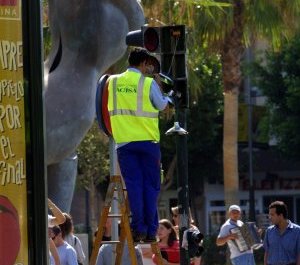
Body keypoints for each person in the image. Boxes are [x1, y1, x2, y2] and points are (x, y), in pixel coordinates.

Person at [107, 47, 169, 242]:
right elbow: (162, 105)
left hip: (124, 143)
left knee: (134, 186)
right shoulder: (147, 83)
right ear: (143, 64)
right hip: (148, 143)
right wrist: (165, 92)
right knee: (150, 187)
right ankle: (150, 232)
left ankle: (139, 229)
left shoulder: (113, 82)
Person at [263, 200, 300, 265]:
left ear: (280, 215)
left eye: (272, 215)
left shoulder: (297, 231)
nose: (270, 217)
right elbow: (267, 253)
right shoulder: (269, 231)